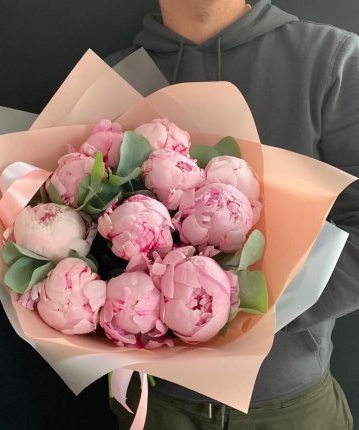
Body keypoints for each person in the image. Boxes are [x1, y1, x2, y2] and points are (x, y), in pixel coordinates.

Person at [104, 0, 359, 429]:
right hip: (155, 404)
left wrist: (240, 309)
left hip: (291, 406)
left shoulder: (331, 61)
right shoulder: (111, 80)